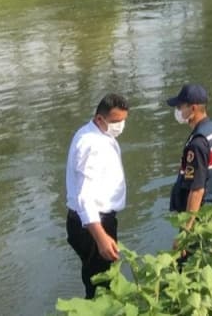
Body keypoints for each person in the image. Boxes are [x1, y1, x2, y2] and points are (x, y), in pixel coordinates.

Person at [65, 93, 129, 299]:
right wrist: (101, 238)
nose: (120, 126)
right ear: (100, 118)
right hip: (93, 224)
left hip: (93, 221)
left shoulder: (96, 133)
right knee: (101, 285)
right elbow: (85, 197)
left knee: (100, 278)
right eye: (116, 121)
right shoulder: (91, 145)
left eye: (123, 120)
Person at [166, 84, 212, 230]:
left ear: (193, 108)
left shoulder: (197, 143)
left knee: (192, 252)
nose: (177, 111)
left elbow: (197, 190)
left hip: (199, 216)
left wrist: (186, 231)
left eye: (180, 107)